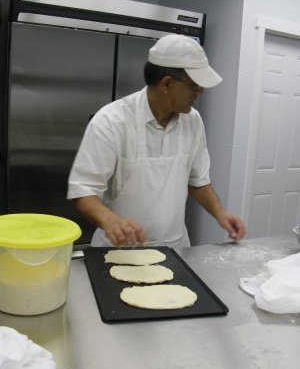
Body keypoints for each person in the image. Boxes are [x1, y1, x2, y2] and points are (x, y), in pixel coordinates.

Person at [67, 34, 245, 248]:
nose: (200, 92)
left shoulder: (192, 121)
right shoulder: (111, 121)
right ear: (167, 84)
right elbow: (83, 189)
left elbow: (198, 181)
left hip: (176, 249)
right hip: (118, 251)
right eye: (194, 85)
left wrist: (220, 214)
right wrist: (110, 220)